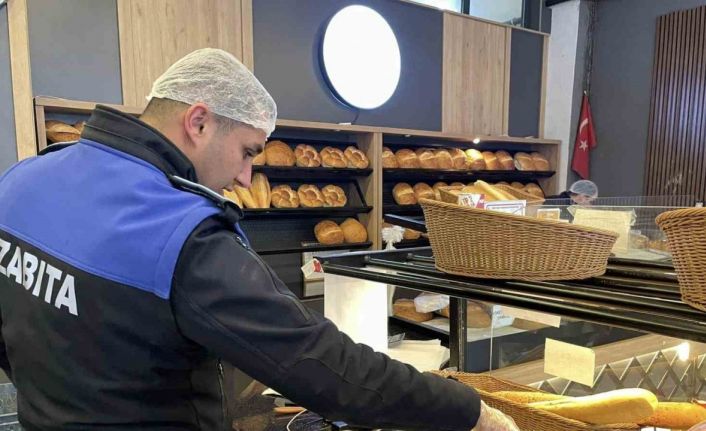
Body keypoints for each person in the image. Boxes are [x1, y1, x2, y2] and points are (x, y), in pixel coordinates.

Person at [0, 48, 518, 430]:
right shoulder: (180, 232)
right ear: (198, 122)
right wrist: (467, 411)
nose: (246, 177)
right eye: (248, 151)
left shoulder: (21, 179)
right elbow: (322, 366)